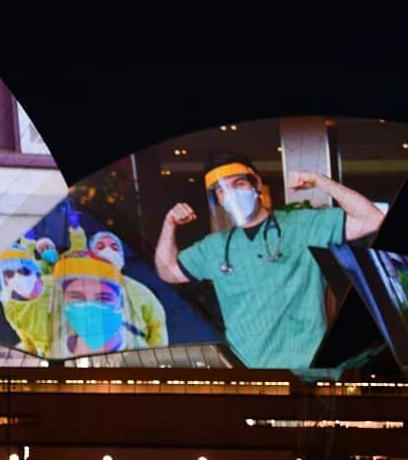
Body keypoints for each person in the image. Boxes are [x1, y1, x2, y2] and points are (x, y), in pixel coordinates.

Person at [155, 151, 386, 368]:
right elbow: (167, 271)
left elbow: (372, 220)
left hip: (307, 369)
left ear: (256, 184)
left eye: (239, 184)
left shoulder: (303, 226)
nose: (232, 194)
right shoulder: (214, 248)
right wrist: (169, 224)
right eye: (222, 189)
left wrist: (321, 181)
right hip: (250, 373)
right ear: (218, 198)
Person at [89, 231, 168, 348]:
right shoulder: (78, 287)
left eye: (114, 248)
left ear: (121, 256)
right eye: (100, 247)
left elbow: (157, 329)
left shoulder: (140, 291)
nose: (108, 251)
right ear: (90, 255)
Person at [53, 253, 141, 356]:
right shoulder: (54, 351)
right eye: (76, 297)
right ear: (63, 301)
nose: (89, 308)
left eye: (103, 298)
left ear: (120, 303)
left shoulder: (140, 351)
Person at [0, 243, 53, 355]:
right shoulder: (12, 308)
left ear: (33, 270)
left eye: (23, 271)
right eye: (9, 273)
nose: (17, 277)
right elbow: (26, 340)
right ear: (4, 278)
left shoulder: (53, 285)